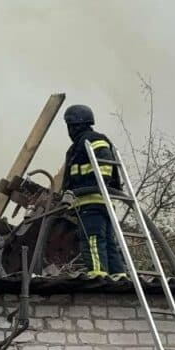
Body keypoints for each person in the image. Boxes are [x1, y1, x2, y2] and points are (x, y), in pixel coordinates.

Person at [60, 105, 127, 279]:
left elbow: (104, 164)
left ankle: (98, 274)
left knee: (93, 240)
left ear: (73, 125)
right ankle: (119, 274)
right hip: (102, 202)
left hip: (92, 202)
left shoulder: (91, 140)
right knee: (109, 242)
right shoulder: (79, 145)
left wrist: (98, 184)